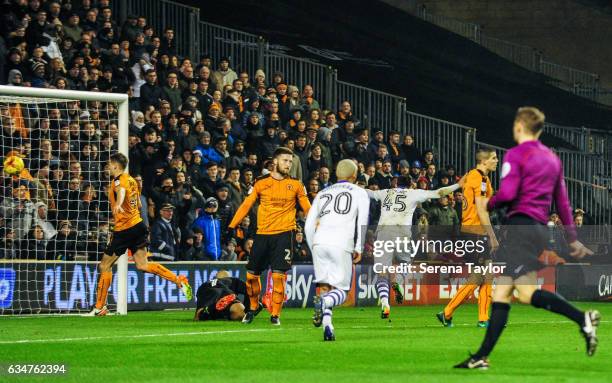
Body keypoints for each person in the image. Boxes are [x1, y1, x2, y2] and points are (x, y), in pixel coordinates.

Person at [455, 107, 598, 369]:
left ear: (520, 126)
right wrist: (573, 238)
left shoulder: (516, 154)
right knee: (503, 291)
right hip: (538, 228)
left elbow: (508, 194)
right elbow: (563, 203)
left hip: (521, 225)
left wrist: (488, 203)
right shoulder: (552, 159)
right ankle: (481, 357)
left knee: (527, 293)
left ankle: (583, 319)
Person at [86, 153, 192, 316]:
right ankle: (179, 280)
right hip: (138, 225)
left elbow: (121, 193)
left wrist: (119, 205)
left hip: (124, 229)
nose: (108, 167)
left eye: (109, 164)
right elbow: (139, 203)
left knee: (104, 265)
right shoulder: (132, 180)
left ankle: (100, 307)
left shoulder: (119, 180)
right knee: (142, 265)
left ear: (116, 165)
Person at [228, 147, 311, 325]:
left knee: (278, 276)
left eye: (290, 161)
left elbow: (308, 209)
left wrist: (318, 226)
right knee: (251, 276)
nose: (288, 164)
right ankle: (251, 308)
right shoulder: (260, 182)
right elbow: (245, 205)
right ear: (275, 162)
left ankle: (275, 314)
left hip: (284, 234)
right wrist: (232, 225)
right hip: (262, 234)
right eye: (285, 160)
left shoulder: (296, 184)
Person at [367, 175, 465, 319]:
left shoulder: (385, 192)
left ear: (395, 183)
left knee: (382, 272)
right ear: (411, 184)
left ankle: (385, 303)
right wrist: (458, 184)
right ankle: (398, 282)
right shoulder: (413, 193)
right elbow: (439, 192)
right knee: (405, 263)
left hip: (383, 231)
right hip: (402, 232)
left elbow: (368, 192)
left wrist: (346, 185)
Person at [304, 159, 370, 341]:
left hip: (319, 242)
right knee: (341, 292)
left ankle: (328, 326)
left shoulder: (322, 193)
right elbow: (362, 221)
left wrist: (313, 247)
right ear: (355, 176)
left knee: (325, 287)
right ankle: (324, 302)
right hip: (341, 243)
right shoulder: (359, 192)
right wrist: (359, 247)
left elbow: (309, 226)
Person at [437, 148, 498, 328]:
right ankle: (447, 312)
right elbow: (480, 209)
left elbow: (462, 185)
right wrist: (492, 236)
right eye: (494, 158)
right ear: (484, 161)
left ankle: (483, 318)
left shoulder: (476, 176)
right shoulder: (478, 178)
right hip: (475, 233)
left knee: (487, 275)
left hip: (475, 231)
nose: (497, 161)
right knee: (479, 276)